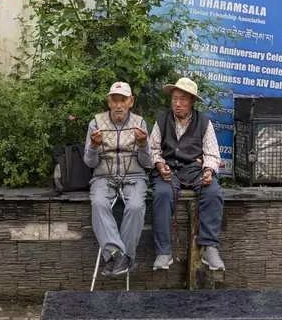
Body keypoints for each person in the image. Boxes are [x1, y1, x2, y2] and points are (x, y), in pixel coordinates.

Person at [149, 77, 225, 271]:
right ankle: (164, 252)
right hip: (169, 171)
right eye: (174, 99)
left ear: (192, 100)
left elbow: (212, 154)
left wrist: (208, 171)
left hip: (194, 170)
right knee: (162, 194)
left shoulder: (204, 121)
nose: (177, 103)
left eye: (182, 99)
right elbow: (153, 149)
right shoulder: (162, 119)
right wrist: (159, 164)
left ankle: (209, 247)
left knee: (213, 192)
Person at [83, 82, 152, 277]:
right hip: (103, 177)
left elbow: (147, 162)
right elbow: (89, 162)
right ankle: (118, 255)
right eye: (115, 100)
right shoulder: (96, 122)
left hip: (134, 176)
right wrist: (94, 146)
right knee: (98, 203)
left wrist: (144, 143)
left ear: (131, 102)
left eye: (123, 100)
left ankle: (121, 259)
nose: (119, 105)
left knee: (137, 206)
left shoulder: (140, 123)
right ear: (108, 101)